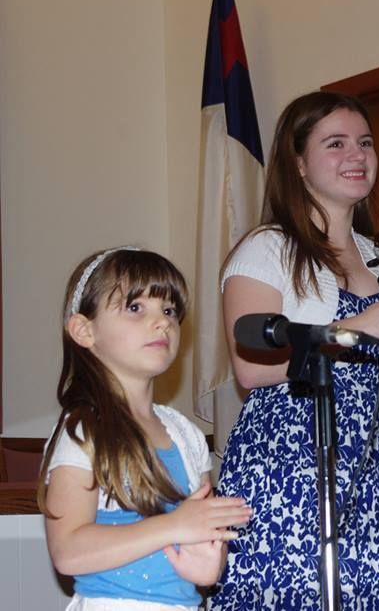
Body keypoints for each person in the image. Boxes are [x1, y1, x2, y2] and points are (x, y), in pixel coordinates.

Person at [211, 91, 379, 610]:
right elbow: (251, 368)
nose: (356, 155)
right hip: (290, 467)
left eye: (364, 142)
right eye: (335, 143)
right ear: (298, 163)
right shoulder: (267, 248)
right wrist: (362, 325)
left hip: (372, 465)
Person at [38, 247, 253, 611]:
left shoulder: (185, 434)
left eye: (169, 311)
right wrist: (174, 527)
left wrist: (208, 564)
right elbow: (68, 551)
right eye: (136, 308)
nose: (163, 322)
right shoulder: (84, 431)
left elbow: (196, 534)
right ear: (84, 330)